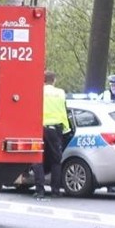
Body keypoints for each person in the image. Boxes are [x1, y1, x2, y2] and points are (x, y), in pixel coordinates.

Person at [32, 70, 70, 199]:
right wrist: (66, 128)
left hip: (40, 128)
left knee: (38, 159)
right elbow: (64, 110)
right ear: (54, 81)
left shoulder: (38, 91)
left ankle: (40, 190)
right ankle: (55, 190)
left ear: (43, 80)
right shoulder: (60, 93)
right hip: (56, 129)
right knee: (56, 161)